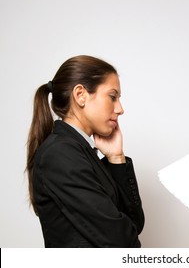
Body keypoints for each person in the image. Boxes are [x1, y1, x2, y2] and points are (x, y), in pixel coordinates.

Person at [26, 55, 144, 247]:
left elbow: (135, 225)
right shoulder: (60, 154)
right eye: (112, 97)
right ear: (80, 95)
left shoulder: (80, 151)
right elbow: (122, 240)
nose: (120, 109)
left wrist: (116, 157)